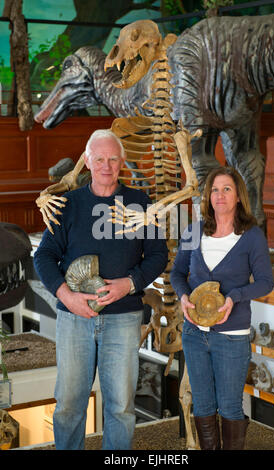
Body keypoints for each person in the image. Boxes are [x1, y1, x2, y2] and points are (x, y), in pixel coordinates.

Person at [34, 129, 168, 450]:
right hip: (74, 318)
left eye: (112, 159)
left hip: (123, 318)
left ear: (122, 162)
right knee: (68, 405)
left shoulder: (140, 202)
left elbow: (158, 256)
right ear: (87, 161)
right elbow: (44, 256)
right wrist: (66, 295)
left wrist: (130, 283)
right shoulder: (67, 204)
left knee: (120, 407)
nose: (106, 166)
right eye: (99, 159)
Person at [170, 166, 274, 450]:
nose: (220, 195)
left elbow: (266, 282)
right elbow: (177, 273)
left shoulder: (251, 236)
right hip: (194, 334)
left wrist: (235, 296)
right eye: (214, 189)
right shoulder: (193, 231)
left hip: (232, 336)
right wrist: (182, 295)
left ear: (238, 195)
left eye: (227, 189)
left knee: (229, 407)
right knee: (203, 406)